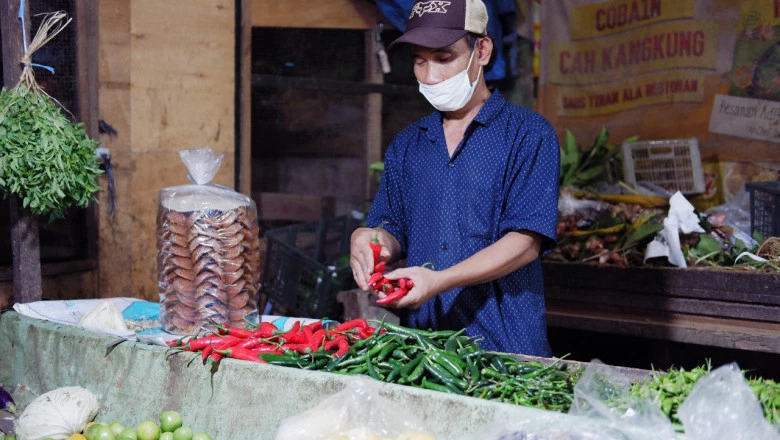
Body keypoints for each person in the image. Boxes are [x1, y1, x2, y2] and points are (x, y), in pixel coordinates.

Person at [349, 0, 560, 356]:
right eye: (420, 60)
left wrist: (440, 281)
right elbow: (390, 226)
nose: (430, 76)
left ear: (483, 50)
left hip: (506, 347)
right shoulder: (408, 144)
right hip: (425, 348)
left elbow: (525, 242)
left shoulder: (528, 135)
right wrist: (368, 239)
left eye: (444, 58)